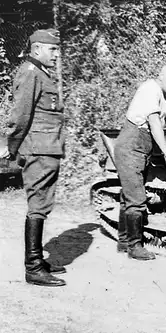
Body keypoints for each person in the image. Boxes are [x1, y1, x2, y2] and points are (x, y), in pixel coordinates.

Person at [0, 29, 66, 287]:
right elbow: (20, 116)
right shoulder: (29, 73)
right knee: (38, 204)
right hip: (37, 149)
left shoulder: (41, 73)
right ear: (37, 48)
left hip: (47, 148)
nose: (57, 54)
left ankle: (39, 261)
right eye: (53, 49)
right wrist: (12, 145)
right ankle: (33, 267)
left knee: (44, 203)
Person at [113, 61, 166, 260]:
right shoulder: (150, 89)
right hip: (131, 145)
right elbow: (155, 122)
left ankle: (123, 240)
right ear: (161, 76)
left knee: (128, 195)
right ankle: (134, 247)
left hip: (141, 148)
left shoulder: (165, 96)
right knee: (137, 198)